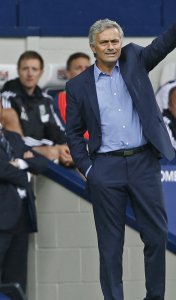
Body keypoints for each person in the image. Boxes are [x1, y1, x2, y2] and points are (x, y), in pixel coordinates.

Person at [66, 1, 176, 299]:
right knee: (110, 246)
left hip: (143, 163)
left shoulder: (135, 58)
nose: (112, 47)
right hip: (105, 168)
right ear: (93, 47)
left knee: (157, 235)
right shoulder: (77, 86)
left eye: (115, 41)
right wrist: (88, 169)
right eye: (105, 43)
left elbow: (165, 44)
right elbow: (73, 134)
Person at [0, 97, 48, 293]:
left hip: (22, 217)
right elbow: (2, 169)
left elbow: (42, 163)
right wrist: (26, 172)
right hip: (1, 219)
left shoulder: (13, 137)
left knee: (17, 280)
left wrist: (20, 164)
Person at [1, 51, 73, 167]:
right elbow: (14, 139)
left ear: (41, 72)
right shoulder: (7, 97)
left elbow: (57, 130)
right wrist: (50, 146)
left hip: (46, 149)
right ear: (18, 71)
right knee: (53, 152)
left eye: (34, 69)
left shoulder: (46, 99)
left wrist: (65, 145)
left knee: (74, 151)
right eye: (25, 69)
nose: (30, 74)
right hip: (19, 152)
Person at [53, 52, 91, 128]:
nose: (84, 71)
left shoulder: (100, 96)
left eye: (87, 68)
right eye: (78, 68)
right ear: (68, 73)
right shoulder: (61, 99)